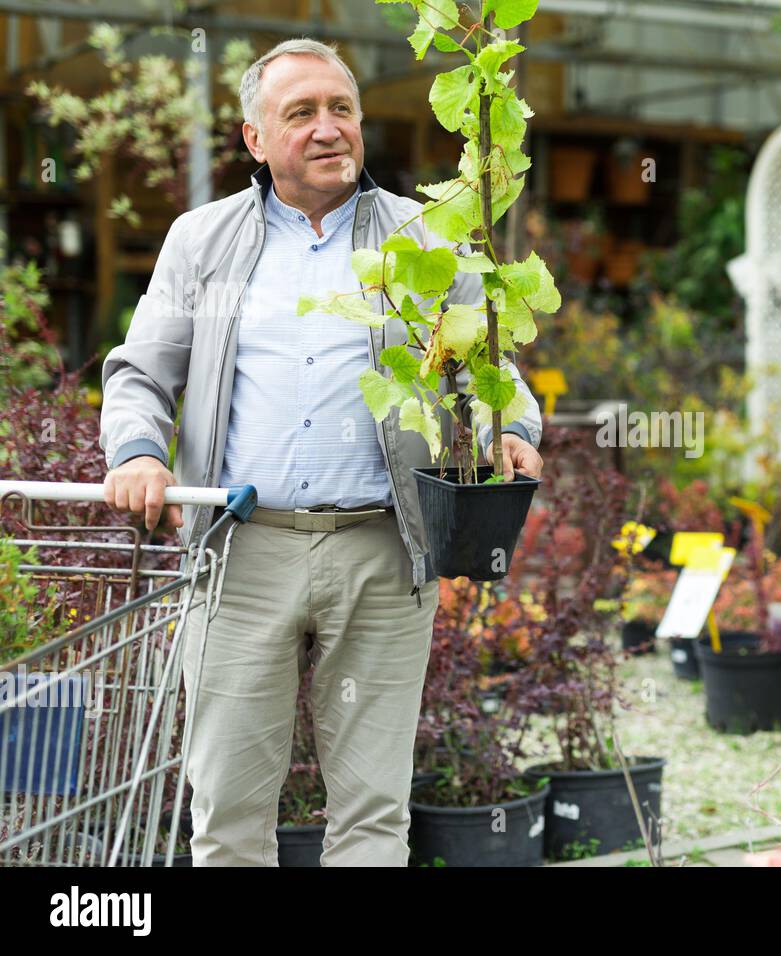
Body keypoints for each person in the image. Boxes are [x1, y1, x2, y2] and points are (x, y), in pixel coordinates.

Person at [97, 38, 543, 866]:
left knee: (373, 813)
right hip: (239, 556)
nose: (328, 128)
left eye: (341, 109)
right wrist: (136, 452)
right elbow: (141, 373)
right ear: (255, 138)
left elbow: (490, 368)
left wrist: (511, 430)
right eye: (300, 112)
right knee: (227, 811)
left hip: (383, 551)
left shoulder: (423, 236)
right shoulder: (202, 242)